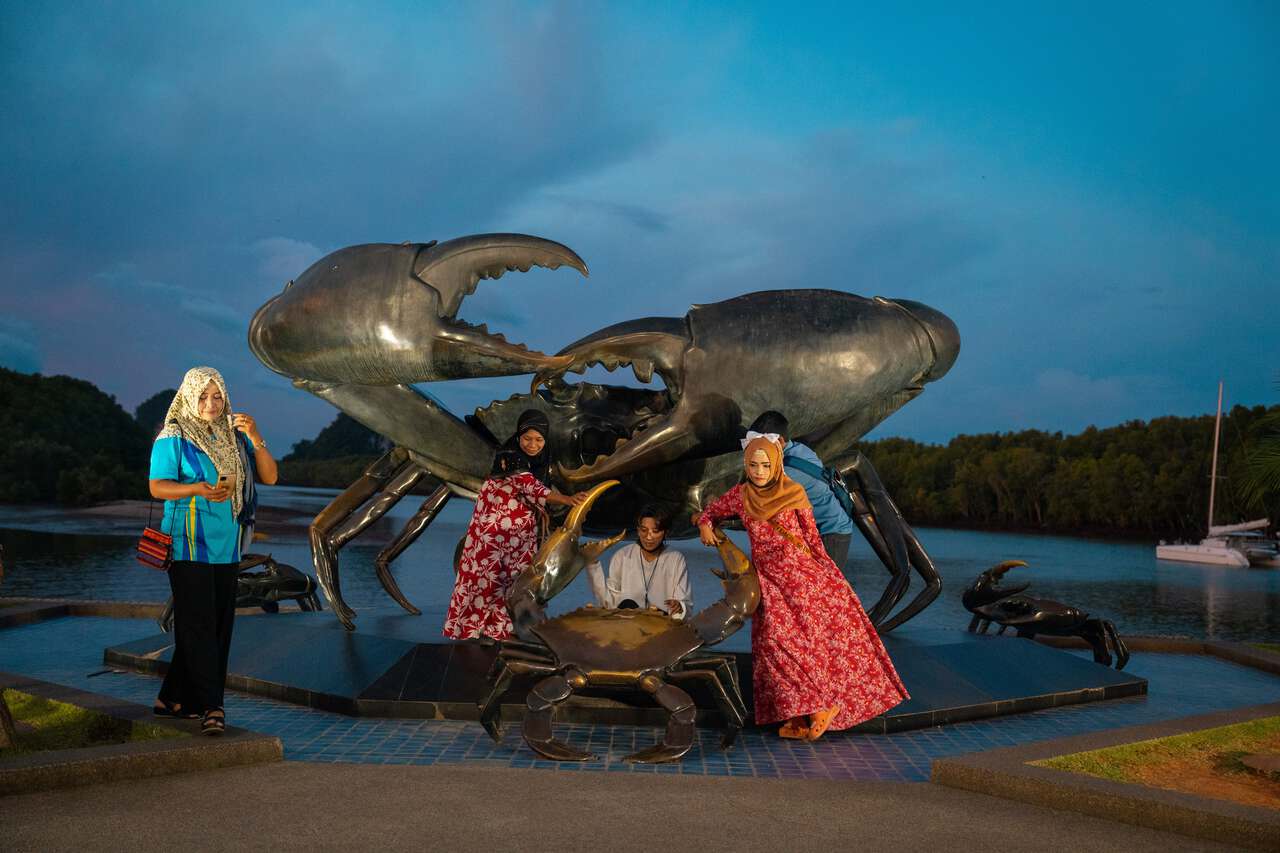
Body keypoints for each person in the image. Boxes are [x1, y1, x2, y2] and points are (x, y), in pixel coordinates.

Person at [697, 435, 907, 741]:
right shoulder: (740, 496)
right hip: (768, 579)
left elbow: (812, 539)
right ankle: (796, 714)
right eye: (754, 465)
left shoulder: (794, 491)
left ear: (777, 464)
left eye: (766, 465)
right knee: (774, 645)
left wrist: (827, 574)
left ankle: (818, 706)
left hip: (800, 576)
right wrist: (705, 523)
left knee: (804, 641)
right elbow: (710, 511)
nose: (759, 471)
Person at [148, 367, 277, 735]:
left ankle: (171, 697)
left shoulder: (232, 437)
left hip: (227, 543)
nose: (210, 404)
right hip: (187, 541)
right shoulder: (174, 434)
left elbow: (269, 477)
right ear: (189, 395)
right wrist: (197, 490)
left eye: (216, 396)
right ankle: (212, 707)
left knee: (217, 626)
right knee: (199, 625)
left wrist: (255, 436)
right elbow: (157, 487)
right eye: (203, 396)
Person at [444, 415, 586, 641]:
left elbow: (536, 492)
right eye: (527, 438)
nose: (532, 445)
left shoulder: (542, 461)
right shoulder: (509, 456)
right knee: (486, 580)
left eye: (539, 440)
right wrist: (568, 500)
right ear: (518, 436)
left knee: (513, 582)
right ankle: (475, 629)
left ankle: (502, 628)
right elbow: (531, 488)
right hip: (493, 533)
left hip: (519, 535)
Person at [746, 411, 855, 572]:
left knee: (819, 593)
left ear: (780, 441)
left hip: (830, 534)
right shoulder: (800, 449)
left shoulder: (788, 472)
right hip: (824, 532)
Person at [587, 504, 692, 618]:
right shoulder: (622, 556)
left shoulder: (675, 558)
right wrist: (591, 563)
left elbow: (684, 605)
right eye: (644, 530)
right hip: (628, 624)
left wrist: (680, 606)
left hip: (660, 624)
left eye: (655, 531)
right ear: (638, 530)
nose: (648, 537)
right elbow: (609, 604)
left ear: (665, 532)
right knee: (627, 604)